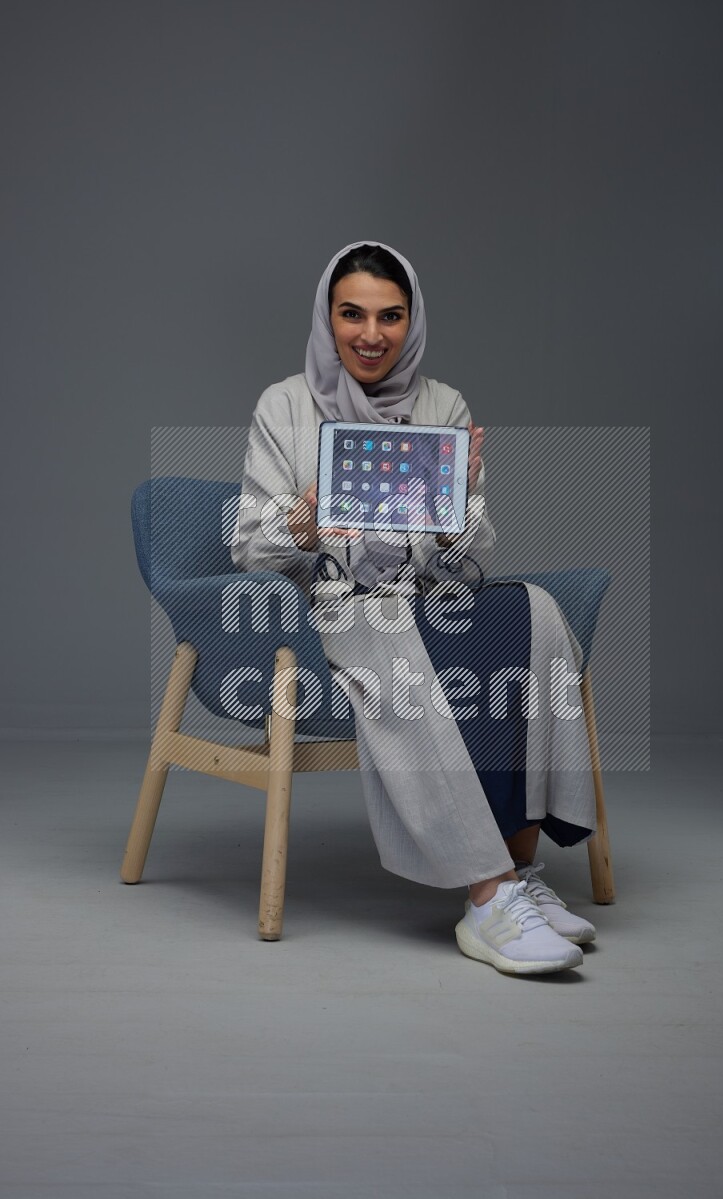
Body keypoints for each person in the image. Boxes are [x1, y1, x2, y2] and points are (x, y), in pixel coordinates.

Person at [232, 240, 598, 976]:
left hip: (432, 593)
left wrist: (456, 502)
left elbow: (467, 559)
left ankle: (521, 866)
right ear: (327, 317)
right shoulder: (283, 404)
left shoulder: (443, 405)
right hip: (339, 604)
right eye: (352, 314)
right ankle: (488, 896)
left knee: (535, 613)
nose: (371, 334)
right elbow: (246, 541)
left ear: (412, 319)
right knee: (391, 630)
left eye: (390, 316)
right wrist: (303, 521)